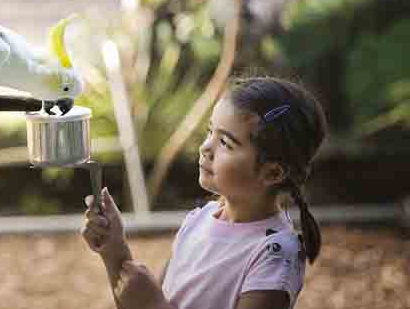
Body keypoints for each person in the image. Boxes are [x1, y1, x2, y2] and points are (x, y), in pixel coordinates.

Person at [82, 76, 328, 309]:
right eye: (210, 132)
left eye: (225, 143)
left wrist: (153, 306)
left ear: (273, 173)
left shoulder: (274, 254)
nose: (205, 148)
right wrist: (115, 251)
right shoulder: (198, 220)